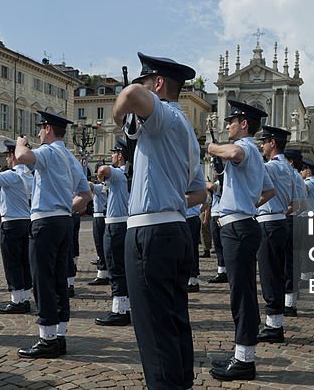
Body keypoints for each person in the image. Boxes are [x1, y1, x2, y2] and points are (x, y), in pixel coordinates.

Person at [110, 52, 206, 388]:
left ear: (159, 84)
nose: (142, 88)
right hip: (175, 227)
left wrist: (118, 118)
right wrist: (169, 197)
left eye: (146, 81)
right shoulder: (187, 134)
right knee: (174, 320)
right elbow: (199, 193)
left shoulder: (164, 115)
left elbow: (131, 96)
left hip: (150, 232)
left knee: (153, 328)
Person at [206, 100, 276, 381]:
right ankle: (241, 354)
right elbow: (268, 191)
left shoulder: (245, 147)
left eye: (231, 122)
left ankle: (245, 359)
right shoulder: (255, 154)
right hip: (241, 224)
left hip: (238, 227)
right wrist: (249, 201)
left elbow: (233, 151)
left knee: (242, 295)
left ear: (244, 124)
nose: (227, 126)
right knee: (241, 292)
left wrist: (212, 148)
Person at [14, 111, 92, 359]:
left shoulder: (48, 151)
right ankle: (58, 335)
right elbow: (85, 195)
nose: (38, 134)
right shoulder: (70, 157)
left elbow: (22, 157)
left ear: (48, 129)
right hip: (63, 221)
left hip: (46, 221)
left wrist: (19, 144)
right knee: (59, 278)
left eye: (40, 129)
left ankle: (46, 337)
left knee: (43, 279)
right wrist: (66, 207)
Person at [255, 125, 299, 343]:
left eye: (264, 142)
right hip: (281, 221)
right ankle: (276, 321)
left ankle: (274, 326)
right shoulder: (290, 169)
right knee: (279, 273)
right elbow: (298, 200)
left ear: (272, 143)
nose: (262, 146)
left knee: (269, 275)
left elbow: (256, 191)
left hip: (268, 222)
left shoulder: (269, 168)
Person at [0, 139, 35, 315]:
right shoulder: (30, 176)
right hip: (27, 221)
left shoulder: (11, 176)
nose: (7, 160)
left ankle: (17, 300)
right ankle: (24, 297)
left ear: (13, 156)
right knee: (25, 261)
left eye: (8, 156)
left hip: (11, 223)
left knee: (12, 263)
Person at [94, 138, 132, 326]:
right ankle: (125, 306)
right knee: (122, 268)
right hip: (123, 224)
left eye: (114, 152)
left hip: (116, 225)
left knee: (116, 268)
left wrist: (101, 175)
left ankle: (120, 310)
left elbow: (103, 170)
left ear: (120, 155)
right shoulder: (127, 175)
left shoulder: (118, 174)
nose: (111, 156)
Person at [281, 149, 308, 316]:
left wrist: (281, 212)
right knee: (289, 262)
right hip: (292, 220)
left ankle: (289, 303)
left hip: (290, 220)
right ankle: (289, 300)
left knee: (289, 263)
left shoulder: (293, 176)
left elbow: (299, 204)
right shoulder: (296, 177)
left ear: (290, 162)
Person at [206, 173, 228, 283]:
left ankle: (225, 270)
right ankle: (221, 270)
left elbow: (210, 186)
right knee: (217, 245)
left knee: (223, 244)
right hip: (214, 213)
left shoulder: (223, 183)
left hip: (221, 213)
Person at [88, 175, 110, 286]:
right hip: (100, 216)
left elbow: (90, 186)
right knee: (101, 246)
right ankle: (103, 271)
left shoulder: (102, 187)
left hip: (100, 217)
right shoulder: (103, 186)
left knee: (100, 246)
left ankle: (102, 274)